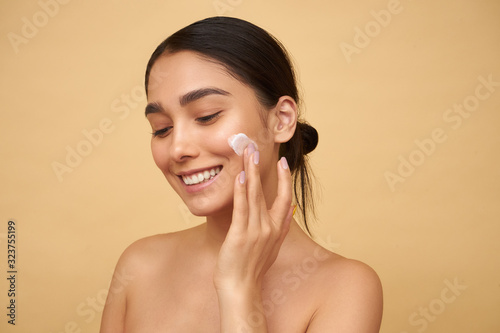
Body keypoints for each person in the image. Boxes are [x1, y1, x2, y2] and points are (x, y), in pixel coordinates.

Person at [100, 16, 382, 332]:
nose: (178, 148)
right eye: (161, 128)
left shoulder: (345, 288)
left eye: (206, 116)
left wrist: (238, 287)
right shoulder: (140, 266)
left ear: (282, 120)